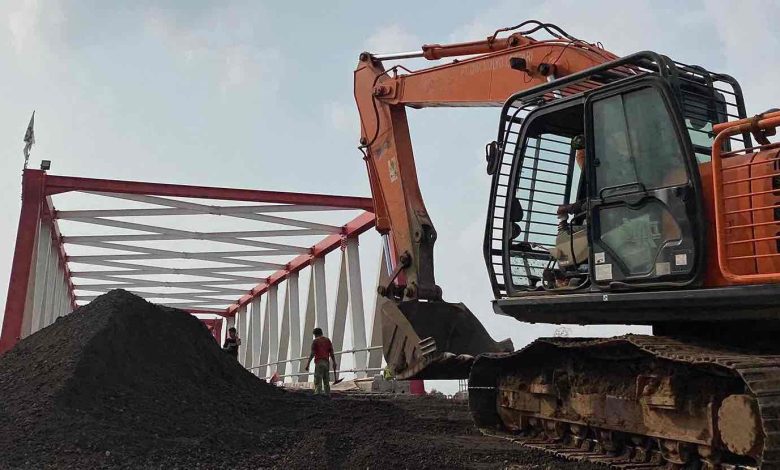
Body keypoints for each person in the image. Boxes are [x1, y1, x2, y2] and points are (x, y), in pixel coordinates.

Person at [304, 327, 337, 396]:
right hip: (326, 362)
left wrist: (308, 363)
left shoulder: (315, 341)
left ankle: (318, 393)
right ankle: (327, 394)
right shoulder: (327, 340)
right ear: (321, 333)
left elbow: (312, 353)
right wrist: (334, 362)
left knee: (318, 379)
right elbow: (331, 352)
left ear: (315, 334)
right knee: (326, 380)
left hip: (319, 362)